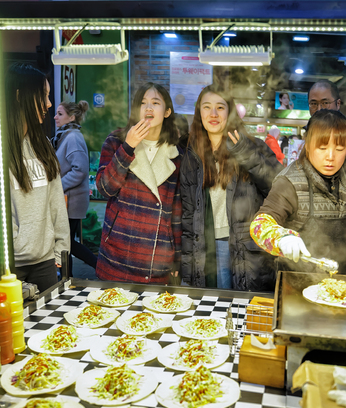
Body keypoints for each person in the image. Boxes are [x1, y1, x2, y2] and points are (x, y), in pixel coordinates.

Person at [180, 84, 283, 291]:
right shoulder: (191, 156)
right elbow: (187, 216)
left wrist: (245, 155)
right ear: (199, 113)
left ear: (230, 112)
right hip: (205, 247)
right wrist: (186, 266)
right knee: (209, 316)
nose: (213, 113)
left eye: (220, 107)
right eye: (206, 107)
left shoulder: (253, 146)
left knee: (240, 314)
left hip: (244, 247)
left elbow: (279, 187)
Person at [96, 82, 182, 284]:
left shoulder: (176, 153)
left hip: (157, 261)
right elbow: (104, 189)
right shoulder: (116, 140)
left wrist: (177, 257)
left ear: (167, 111)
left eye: (155, 102)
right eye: (143, 103)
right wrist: (128, 146)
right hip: (116, 256)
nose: (149, 108)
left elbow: (176, 212)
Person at [250, 109, 346, 274]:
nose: (331, 156)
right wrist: (281, 238)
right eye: (322, 148)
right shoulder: (290, 181)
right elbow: (259, 225)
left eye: (339, 149)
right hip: (297, 284)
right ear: (307, 145)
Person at [5, 63, 70, 292]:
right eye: (43, 95)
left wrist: (60, 252)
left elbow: (55, 201)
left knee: (51, 326)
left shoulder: (42, 144)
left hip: (46, 263)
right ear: (19, 96)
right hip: (10, 266)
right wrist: (20, 247)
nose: (49, 104)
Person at [51, 100, 97, 277]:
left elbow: (80, 170)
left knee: (67, 242)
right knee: (66, 242)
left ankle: (98, 266)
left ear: (72, 117)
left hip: (71, 202)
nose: (55, 117)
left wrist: (58, 186)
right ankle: (65, 277)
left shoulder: (73, 137)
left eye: (60, 114)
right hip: (68, 200)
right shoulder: (65, 135)